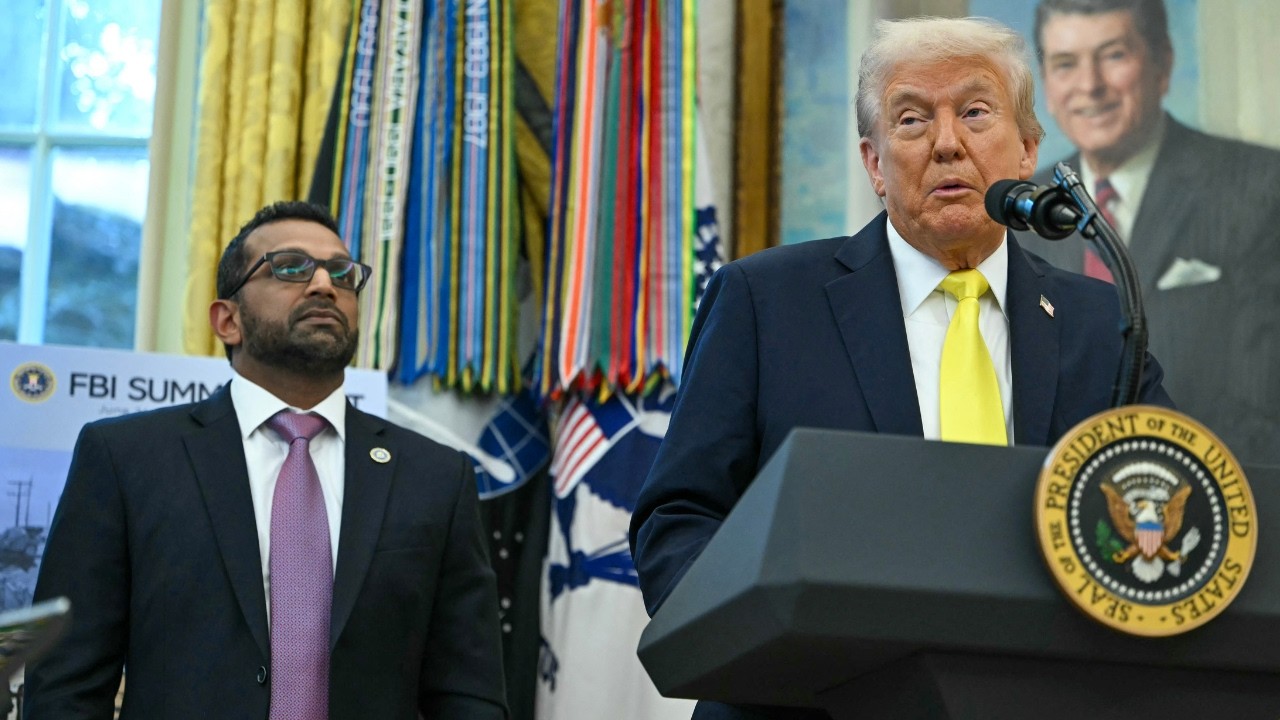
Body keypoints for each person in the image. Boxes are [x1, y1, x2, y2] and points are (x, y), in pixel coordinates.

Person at [628, 16, 1172, 720]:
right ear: (875, 163)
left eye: (975, 112)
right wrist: (775, 654)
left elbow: (1163, 505)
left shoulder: (1101, 321)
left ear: (1028, 150)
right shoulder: (765, 301)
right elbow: (679, 519)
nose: (946, 142)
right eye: (911, 119)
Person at [24, 201, 508, 719]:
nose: (324, 285)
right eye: (290, 267)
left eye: (342, 273)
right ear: (227, 320)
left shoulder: (436, 478)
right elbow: (64, 684)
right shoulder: (126, 459)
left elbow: (468, 691)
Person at [1021, 0, 1280, 466]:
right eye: (1066, 64)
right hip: (1048, 493)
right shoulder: (1023, 209)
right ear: (1047, 85)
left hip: (1215, 487)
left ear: (1163, 63)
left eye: (1114, 55)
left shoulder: (1260, 188)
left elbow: (1263, 404)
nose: (1090, 85)